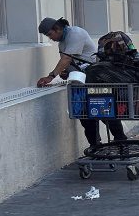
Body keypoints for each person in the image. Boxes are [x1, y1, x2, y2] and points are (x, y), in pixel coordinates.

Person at [36, 17, 127, 152]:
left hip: (95, 79)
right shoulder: (62, 42)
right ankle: (95, 144)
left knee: (105, 111)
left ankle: (121, 141)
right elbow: (67, 62)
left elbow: (66, 58)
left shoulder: (75, 34)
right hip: (80, 81)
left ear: (57, 29)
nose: (51, 38)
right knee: (84, 114)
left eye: (50, 34)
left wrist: (51, 76)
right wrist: (65, 72)